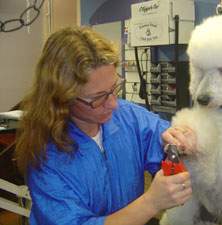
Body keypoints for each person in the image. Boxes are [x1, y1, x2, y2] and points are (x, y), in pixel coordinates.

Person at [15, 27, 197, 225]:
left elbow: (161, 137)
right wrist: (150, 203)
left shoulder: (128, 117)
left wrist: (182, 137)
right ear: (61, 98)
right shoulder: (45, 157)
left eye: (114, 89)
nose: (113, 104)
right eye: (98, 98)